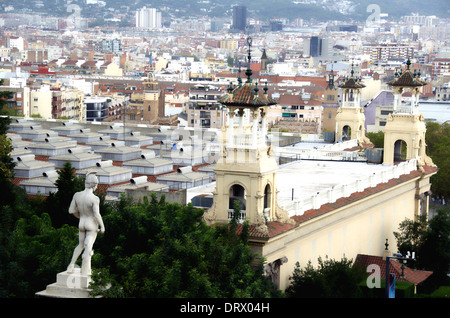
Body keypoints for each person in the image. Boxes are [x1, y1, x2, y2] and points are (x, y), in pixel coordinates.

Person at [66, 172, 105, 276]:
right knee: (88, 247)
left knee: (80, 245)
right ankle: (85, 270)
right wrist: (102, 226)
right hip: (91, 224)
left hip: (81, 223)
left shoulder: (77, 195)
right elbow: (97, 214)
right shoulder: (94, 198)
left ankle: (71, 264)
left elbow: (71, 210)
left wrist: (79, 216)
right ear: (94, 185)